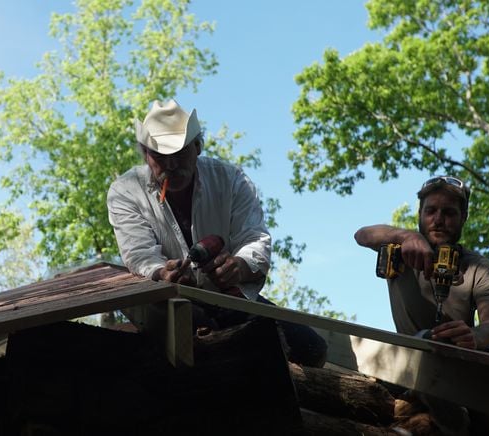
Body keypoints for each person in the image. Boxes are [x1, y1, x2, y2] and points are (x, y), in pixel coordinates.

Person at [107, 99, 327, 367]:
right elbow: (139, 254)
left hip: (230, 298)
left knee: (311, 348)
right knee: (208, 350)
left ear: (198, 146)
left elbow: (254, 239)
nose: (171, 164)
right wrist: (163, 274)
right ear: (144, 153)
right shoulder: (126, 191)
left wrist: (240, 266)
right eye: (159, 155)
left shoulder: (230, 180)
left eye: (179, 152)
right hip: (168, 303)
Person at [354, 175, 489, 351]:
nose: (438, 220)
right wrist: (407, 236)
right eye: (431, 211)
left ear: (464, 217)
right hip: (408, 355)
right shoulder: (399, 249)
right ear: (420, 214)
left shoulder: (479, 268)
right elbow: (362, 235)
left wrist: (475, 337)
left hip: (460, 359)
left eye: (449, 213)